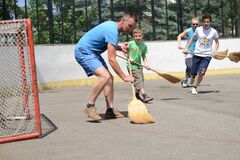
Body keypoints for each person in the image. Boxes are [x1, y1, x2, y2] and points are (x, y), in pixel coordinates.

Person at [74, 12, 137, 120]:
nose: (130, 29)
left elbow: (109, 44)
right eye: (130, 26)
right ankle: (90, 106)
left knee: (109, 79)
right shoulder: (112, 30)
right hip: (84, 52)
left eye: (132, 27)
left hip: (92, 53)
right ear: (123, 20)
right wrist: (124, 77)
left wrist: (120, 47)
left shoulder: (112, 28)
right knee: (105, 76)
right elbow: (112, 60)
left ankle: (110, 110)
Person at [183, 13, 219, 95]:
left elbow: (217, 43)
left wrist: (215, 51)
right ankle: (192, 76)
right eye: (204, 21)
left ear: (210, 22)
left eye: (208, 22)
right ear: (202, 22)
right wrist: (186, 48)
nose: (206, 23)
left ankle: (194, 87)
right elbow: (192, 39)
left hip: (207, 56)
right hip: (197, 54)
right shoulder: (198, 29)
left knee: (202, 72)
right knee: (193, 72)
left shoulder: (213, 32)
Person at [126, 28, 153, 103]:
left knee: (140, 81)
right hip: (131, 65)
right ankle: (145, 95)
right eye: (136, 36)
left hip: (139, 65)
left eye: (139, 36)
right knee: (138, 80)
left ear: (142, 36)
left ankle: (137, 95)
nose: (138, 37)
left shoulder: (144, 45)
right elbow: (124, 51)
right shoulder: (131, 43)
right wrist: (129, 57)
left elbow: (143, 55)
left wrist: (146, 64)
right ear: (133, 37)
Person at [177, 17, 199, 88]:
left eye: (196, 24)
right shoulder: (188, 31)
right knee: (189, 66)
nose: (195, 25)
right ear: (191, 24)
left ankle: (192, 77)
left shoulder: (200, 31)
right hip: (188, 51)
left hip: (197, 52)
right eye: (193, 24)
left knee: (195, 67)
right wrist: (179, 44)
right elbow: (179, 36)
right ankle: (186, 80)